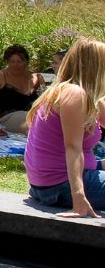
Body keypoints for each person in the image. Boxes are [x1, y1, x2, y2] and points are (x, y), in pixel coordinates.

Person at [23, 36, 105, 219]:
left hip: (46, 185)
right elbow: (72, 147)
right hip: (61, 186)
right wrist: (79, 199)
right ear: (95, 67)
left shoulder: (68, 92)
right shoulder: (74, 95)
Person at [0, 44, 42, 134]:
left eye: (19, 62)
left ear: (27, 62)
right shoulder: (0, 76)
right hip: (8, 117)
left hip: (32, 114)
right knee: (33, 121)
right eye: (12, 62)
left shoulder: (36, 77)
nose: (16, 65)